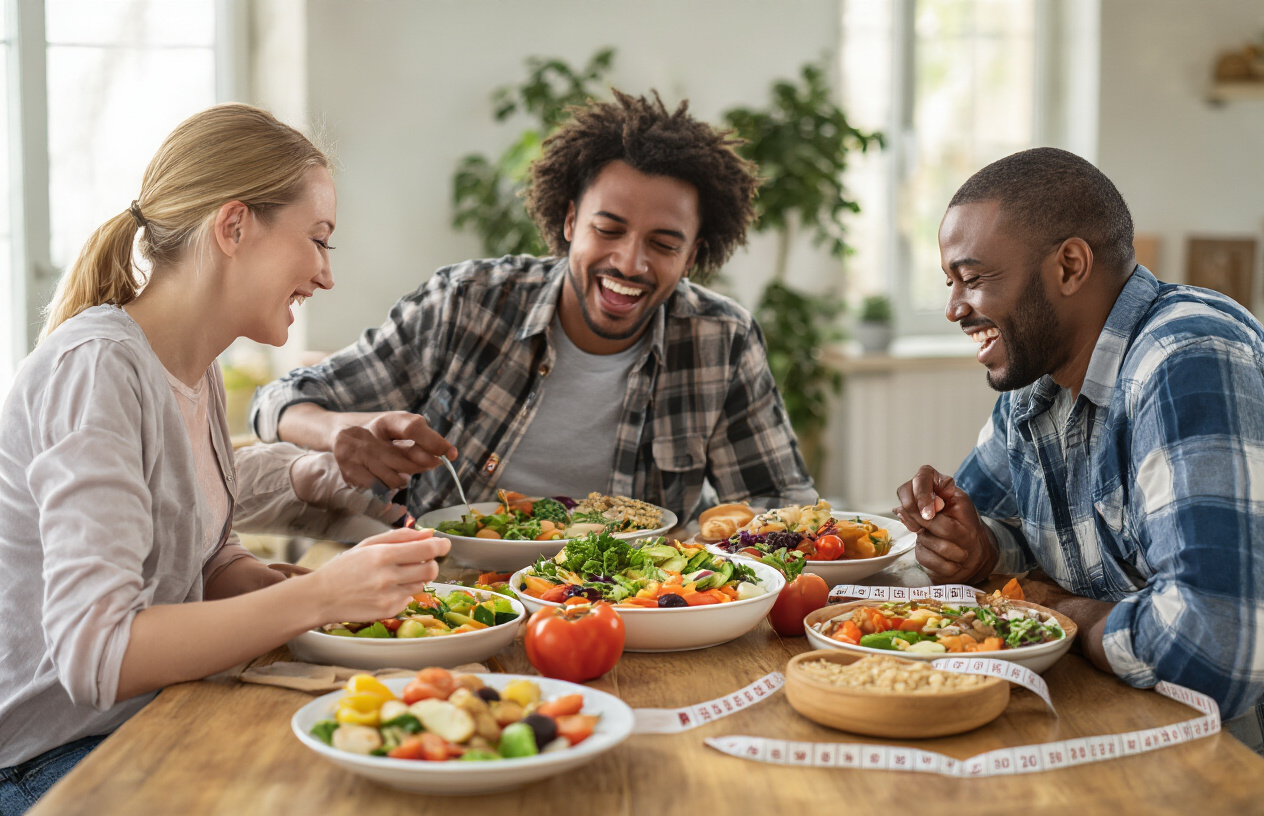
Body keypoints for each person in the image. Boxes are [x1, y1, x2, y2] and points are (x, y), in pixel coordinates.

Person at [0, 103, 449, 813]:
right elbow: (97, 654)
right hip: (50, 763)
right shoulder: (96, 368)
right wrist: (322, 594)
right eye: (318, 239)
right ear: (234, 226)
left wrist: (294, 593)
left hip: (151, 717)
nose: (326, 275)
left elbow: (204, 563)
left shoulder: (193, 369)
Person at [250, 90, 816, 523]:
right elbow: (278, 403)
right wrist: (336, 430)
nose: (630, 262)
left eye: (664, 245)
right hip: (452, 590)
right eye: (608, 229)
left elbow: (777, 507)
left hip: (638, 606)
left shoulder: (723, 339)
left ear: (694, 254)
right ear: (570, 222)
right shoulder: (467, 302)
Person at [893, 147, 1264, 752]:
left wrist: (1069, 611)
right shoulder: (1037, 382)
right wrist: (975, 547)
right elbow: (988, 531)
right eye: (949, 283)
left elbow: (1214, 648)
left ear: (1069, 266)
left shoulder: (1186, 357)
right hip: (1111, 706)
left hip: (1227, 743)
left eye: (973, 278)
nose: (954, 308)